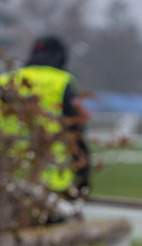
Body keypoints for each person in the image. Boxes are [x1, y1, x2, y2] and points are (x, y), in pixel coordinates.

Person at [0, 34, 90, 206]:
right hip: (52, 182)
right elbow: (77, 134)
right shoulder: (62, 82)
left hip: (8, 177)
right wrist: (83, 181)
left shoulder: (5, 81)